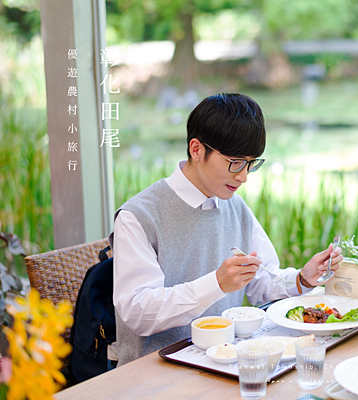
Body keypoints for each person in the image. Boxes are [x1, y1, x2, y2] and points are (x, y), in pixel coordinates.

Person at [109, 93, 342, 366]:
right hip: (157, 371)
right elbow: (137, 312)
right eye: (235, 162)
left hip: (224, 360)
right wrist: (216, 284)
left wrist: (303, 278)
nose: (243, 176)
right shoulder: (138, 216)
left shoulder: (235, 207)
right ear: (197, 150)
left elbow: (261, 282)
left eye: (250, 163)